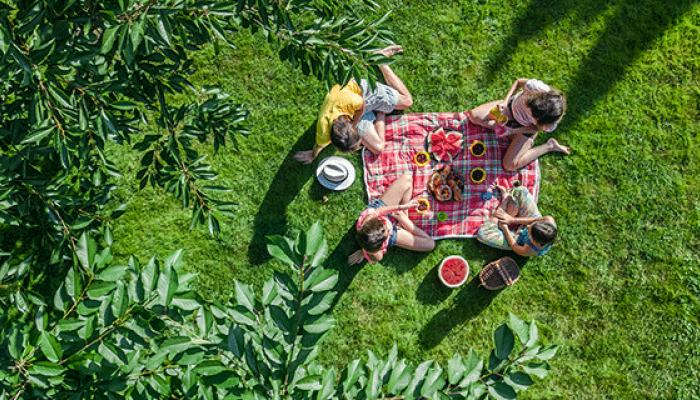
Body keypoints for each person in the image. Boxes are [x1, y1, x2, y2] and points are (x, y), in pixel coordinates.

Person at [295, 45, 413, 164]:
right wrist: (313, 155)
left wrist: (354, 122)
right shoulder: (323, 131)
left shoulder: (348, 100)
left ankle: (381, 60)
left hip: (363, 94)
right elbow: (318, 146)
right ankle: (381, 110)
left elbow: (362, 104)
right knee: (378, 148)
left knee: (407, 101)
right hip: (351, 114)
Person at [468, 78, 570, 171]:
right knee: (473, 116)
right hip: (510, 110)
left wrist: (513, 130)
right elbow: (519, 82)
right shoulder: (535, 88)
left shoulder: (550, 123)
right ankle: (511, 135)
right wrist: (505, 101)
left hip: (525, 128)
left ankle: (549, 146)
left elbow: (535, 128)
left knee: (509, 165)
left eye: (536, 119)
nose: (532, 117)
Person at [349, 175, 434, 265]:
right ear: (382, 245)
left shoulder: (368, 217)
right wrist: (364, 252)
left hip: (382, 210)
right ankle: (404, 220)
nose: (389, 227)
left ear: (375, 221)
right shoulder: (377, 250)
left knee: (407, 178)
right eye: (388, 232)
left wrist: (403, 207)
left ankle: (403, 215)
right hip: (381, 235)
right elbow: (378, 257)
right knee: (430, 244)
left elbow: (380, 210)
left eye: (386, 227)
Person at [476, 185, 557, 257]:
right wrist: (512, 220)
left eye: (529, 229)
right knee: (521, 191)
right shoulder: (548, 220)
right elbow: (533, 220)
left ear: (534, 241)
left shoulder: (530, 250)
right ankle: (504, 212)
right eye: (532, 225)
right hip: (526, 222)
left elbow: (515, 247)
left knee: (482, 234)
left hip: (518, 239)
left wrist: (505, 229)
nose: (528, 226)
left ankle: (503, 205)